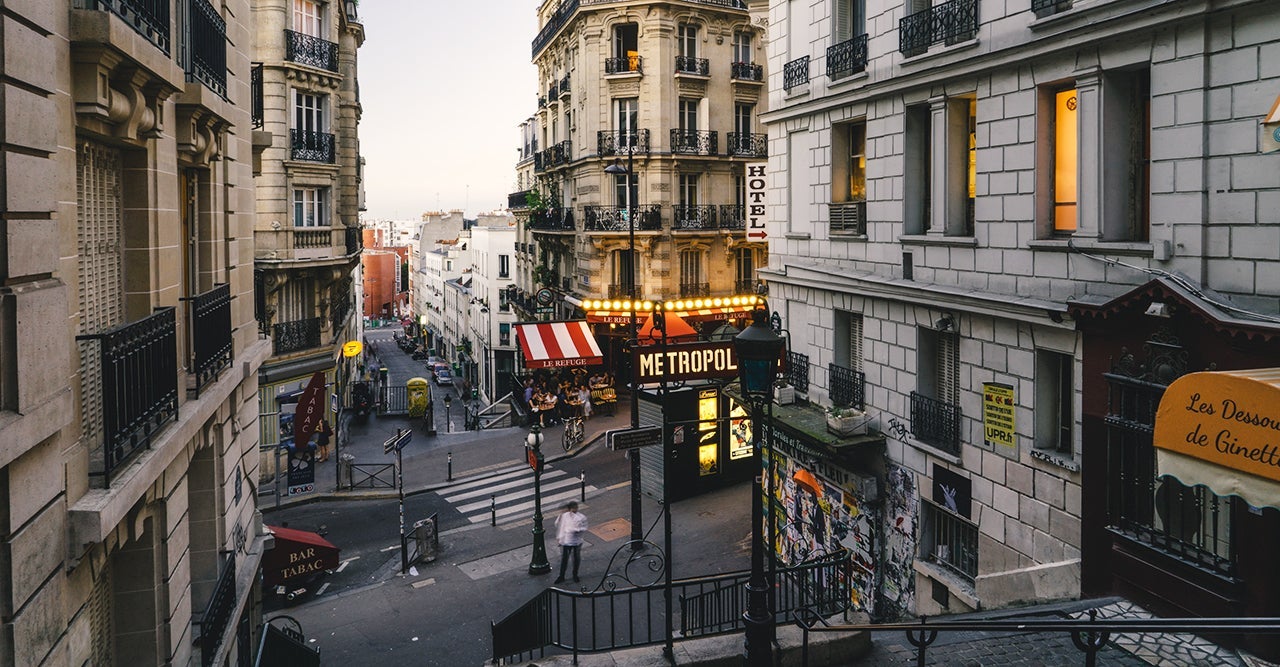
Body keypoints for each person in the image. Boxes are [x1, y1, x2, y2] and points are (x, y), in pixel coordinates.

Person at [554, 501, 588, 584]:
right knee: (564, 559)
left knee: (576, 559)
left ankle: (575, 575)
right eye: (573, 509)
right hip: (566, 541)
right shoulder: (564, 516)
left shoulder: (581, 517)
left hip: (576, 541)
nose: (575, 510)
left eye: (576, 508)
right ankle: (561, 576)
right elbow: (560, 526)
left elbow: (584, 528)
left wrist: (576, 530)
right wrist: (559, 538)